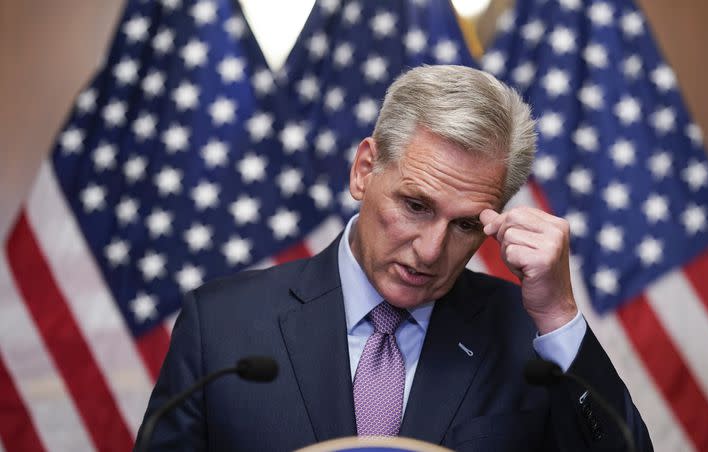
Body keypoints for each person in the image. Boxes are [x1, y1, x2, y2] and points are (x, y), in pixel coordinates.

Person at [137, 65, 653, 451]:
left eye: (466, 224)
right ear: (364, 169)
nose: (430, 251)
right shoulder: (223, 326)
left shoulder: (528, 337)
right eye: (415, 205)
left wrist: (559, 317)